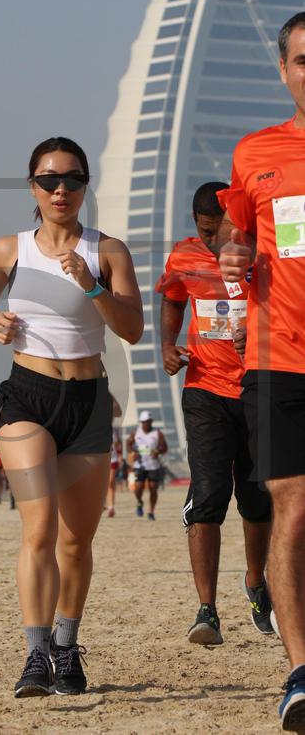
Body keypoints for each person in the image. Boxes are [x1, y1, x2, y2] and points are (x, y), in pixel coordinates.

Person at [0, 136, 142, 697]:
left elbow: (132, 329)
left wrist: (91, 286)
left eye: (71, 179)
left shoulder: (108, 250)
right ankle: (36, 654)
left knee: (75, 541)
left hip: (88, 399)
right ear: (33, 187)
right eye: (48, 180)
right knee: (39, 528)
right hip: (29, 395)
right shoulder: (11, 247)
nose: (60, 189)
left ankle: (67, 646)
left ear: (85, 186)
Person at [218, 11, 305, 730]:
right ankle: (301, 672)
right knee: (293, 504)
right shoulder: (255, 153)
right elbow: (235, 231)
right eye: (304, 60)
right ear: (284, 69)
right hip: (278, 355)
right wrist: (233, 252)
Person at [157, 181, 272, 646]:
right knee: (207, 496)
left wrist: (258, 335)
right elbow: (171, 299)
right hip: (205, 389)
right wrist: (167, 345)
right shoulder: (183, 257)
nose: (212, 241)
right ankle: (206, 609)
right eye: (205, 232)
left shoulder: (263, 255)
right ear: (196, 224)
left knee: (257, 499)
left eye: (219, 232)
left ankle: (255, 582)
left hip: (259, 388)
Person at [126, 412, 167, 521]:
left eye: (148, 421)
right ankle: (139, 502)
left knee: (153, 488)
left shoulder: (157, 433)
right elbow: (128, 443)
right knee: (138, 487)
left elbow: (164, 447)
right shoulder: (136, 433)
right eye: (144, 422)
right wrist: (132, 453)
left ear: (151, 421)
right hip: (140, 465)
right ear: (141, 422)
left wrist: (158, 451)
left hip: (153, 465)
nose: (146, 424)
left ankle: (151, 511)